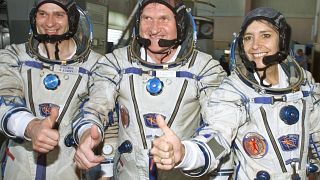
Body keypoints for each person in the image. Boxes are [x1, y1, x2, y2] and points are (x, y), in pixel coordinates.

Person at [150, 7, 320, 179]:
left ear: (282, 40)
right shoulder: (233, 91)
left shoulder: (304, 85)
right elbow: (218, 138)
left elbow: (317, 136)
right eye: (248, 38)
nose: (255, 45)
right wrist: (187, 154)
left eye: (266, 35)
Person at [72, 0, 231, 179]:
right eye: (147, 18)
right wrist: (86, 134)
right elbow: (94, 108)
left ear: (180, 24)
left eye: (164, 18)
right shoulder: (115, 62)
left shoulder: (206, 69)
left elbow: (222, 131)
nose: (154, 29)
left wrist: (188, 154)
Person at [0, 0, 105, 179]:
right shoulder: (12, 56)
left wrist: (87, 134)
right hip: (19, 168)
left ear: (72, 19)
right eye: (43, 14)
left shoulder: (97, 65)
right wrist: (31, 127)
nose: (49, 23)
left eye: (58, 15)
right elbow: (5, 99)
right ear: (34, 18)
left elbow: (93, 109)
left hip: (68, 169)